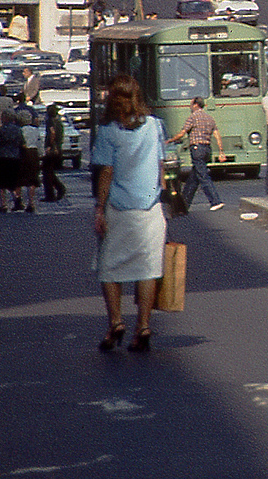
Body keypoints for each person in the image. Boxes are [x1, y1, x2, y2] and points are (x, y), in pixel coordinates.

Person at [92, 72, 166, 353]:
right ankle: (144, 327)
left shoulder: (108, 132)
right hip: (150, 208)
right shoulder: (155, 127)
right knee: (148, 269)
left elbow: (106, 172)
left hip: (119, 209)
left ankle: (116, 322)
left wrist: (99, 209)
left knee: (110, 268)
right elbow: (162, 170)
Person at [167, 98, 225, 211]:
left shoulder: (193, 117)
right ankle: (183, 204)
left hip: (197, 148)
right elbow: (217, 135)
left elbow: (182, 133)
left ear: (196, 105)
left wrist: (170, 140)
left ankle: (215, 201)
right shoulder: (210, 118)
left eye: (191, 104)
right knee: (194, 178)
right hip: (207, 149)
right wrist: (221, 151)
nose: (190, 106)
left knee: (203, 176)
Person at [0, 107, 26, 212]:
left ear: (5, 118)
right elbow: (23, 144)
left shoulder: (1, 130)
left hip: (2, 157)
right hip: (15, 157)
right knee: (15, 181)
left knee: (1, 182)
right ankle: (17, 198)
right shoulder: (18, 129)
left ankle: (3, 204)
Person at [41, 104, 69, 204]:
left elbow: (52, 133)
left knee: (46, 172)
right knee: (50, 171)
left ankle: (51, 193)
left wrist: (50, 145)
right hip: (58, 148)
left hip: (53, 149)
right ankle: (59, 188)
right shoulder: (59, 122)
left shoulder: (50, 121)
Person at [18, 107, 43, 212]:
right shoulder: (35, 130)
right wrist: (41, 155)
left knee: (20, 178)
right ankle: (31, 202)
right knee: (33, 178)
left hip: (23, 153)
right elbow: (39, 143)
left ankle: (19, 200)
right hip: (34, 153)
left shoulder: (20, 131)